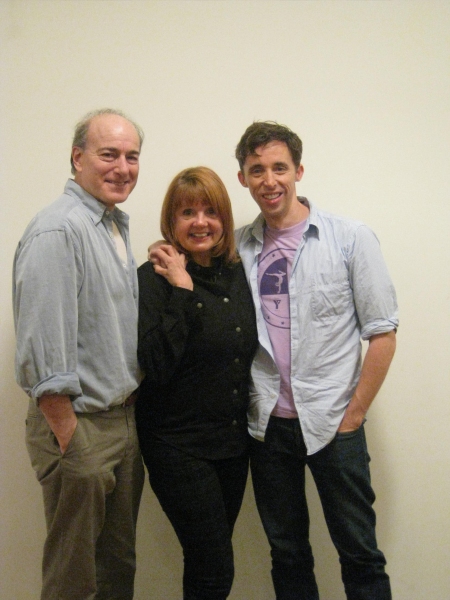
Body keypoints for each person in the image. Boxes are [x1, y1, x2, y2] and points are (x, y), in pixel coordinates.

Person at [234, 121, 398, 600]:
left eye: (279, 167)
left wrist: (356, 414)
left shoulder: (349, 238)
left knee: (360, 553)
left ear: (299, 170)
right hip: (268, 428)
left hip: (334, 423)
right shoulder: (239, 247)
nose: (270, 180)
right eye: (257, 169)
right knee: (287, 554)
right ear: (242, 176)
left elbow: (383, 333)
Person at [13, 108, 145, 600]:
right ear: (77, 158)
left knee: (115, 571)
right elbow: (43, 350)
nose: (122, 167)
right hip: (79, 425)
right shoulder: (58, 230)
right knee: (74, 580)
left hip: (120, 422)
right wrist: (73, 439)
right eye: (108, 154)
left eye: (132, 156)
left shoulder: (110, 226)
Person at [137, 166, 258, 600]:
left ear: (224, 218)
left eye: (210, 211)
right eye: (188, 212)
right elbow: (156, 365)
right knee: (214, 569)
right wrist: (183, 290)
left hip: (231, 445)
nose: (200, 222)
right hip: (177, 446)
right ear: (171, 222)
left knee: (208, 561)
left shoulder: (239, 275)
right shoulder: (151, 280)